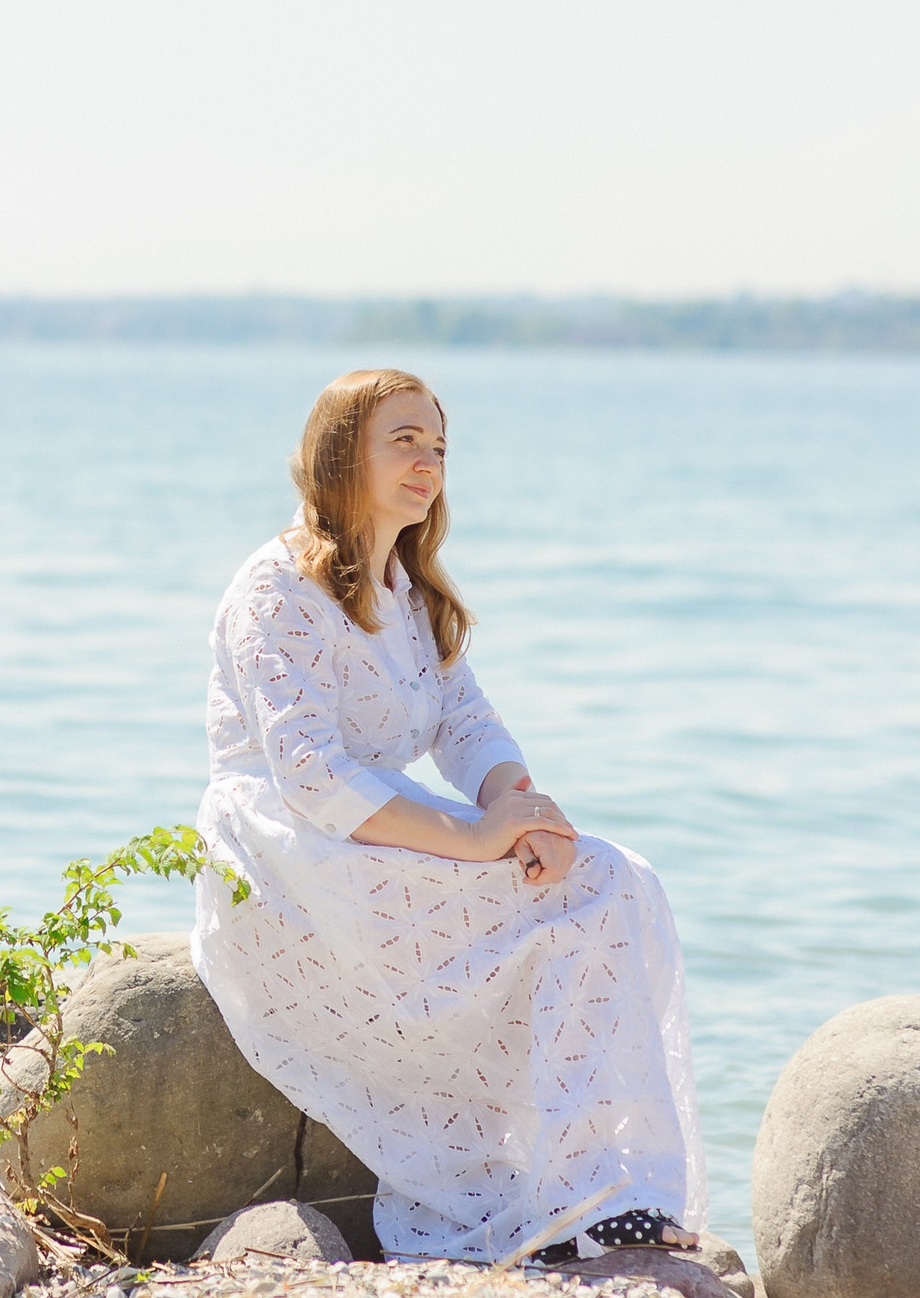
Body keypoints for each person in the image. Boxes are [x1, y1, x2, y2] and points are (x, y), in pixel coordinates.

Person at [190, 368, 705, 1264]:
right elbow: (308, 773)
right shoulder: (276, 585)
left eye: (439, 446)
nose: (428, 461)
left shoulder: (413, 592)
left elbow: (468, 723)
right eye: (404, 440)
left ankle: (596, 1190)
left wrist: (521, 808)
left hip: (379, 829)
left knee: (612, 879)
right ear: (340, 451)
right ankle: (570, 1201)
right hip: (288, 852)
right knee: (584, 898)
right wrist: (472, 837)